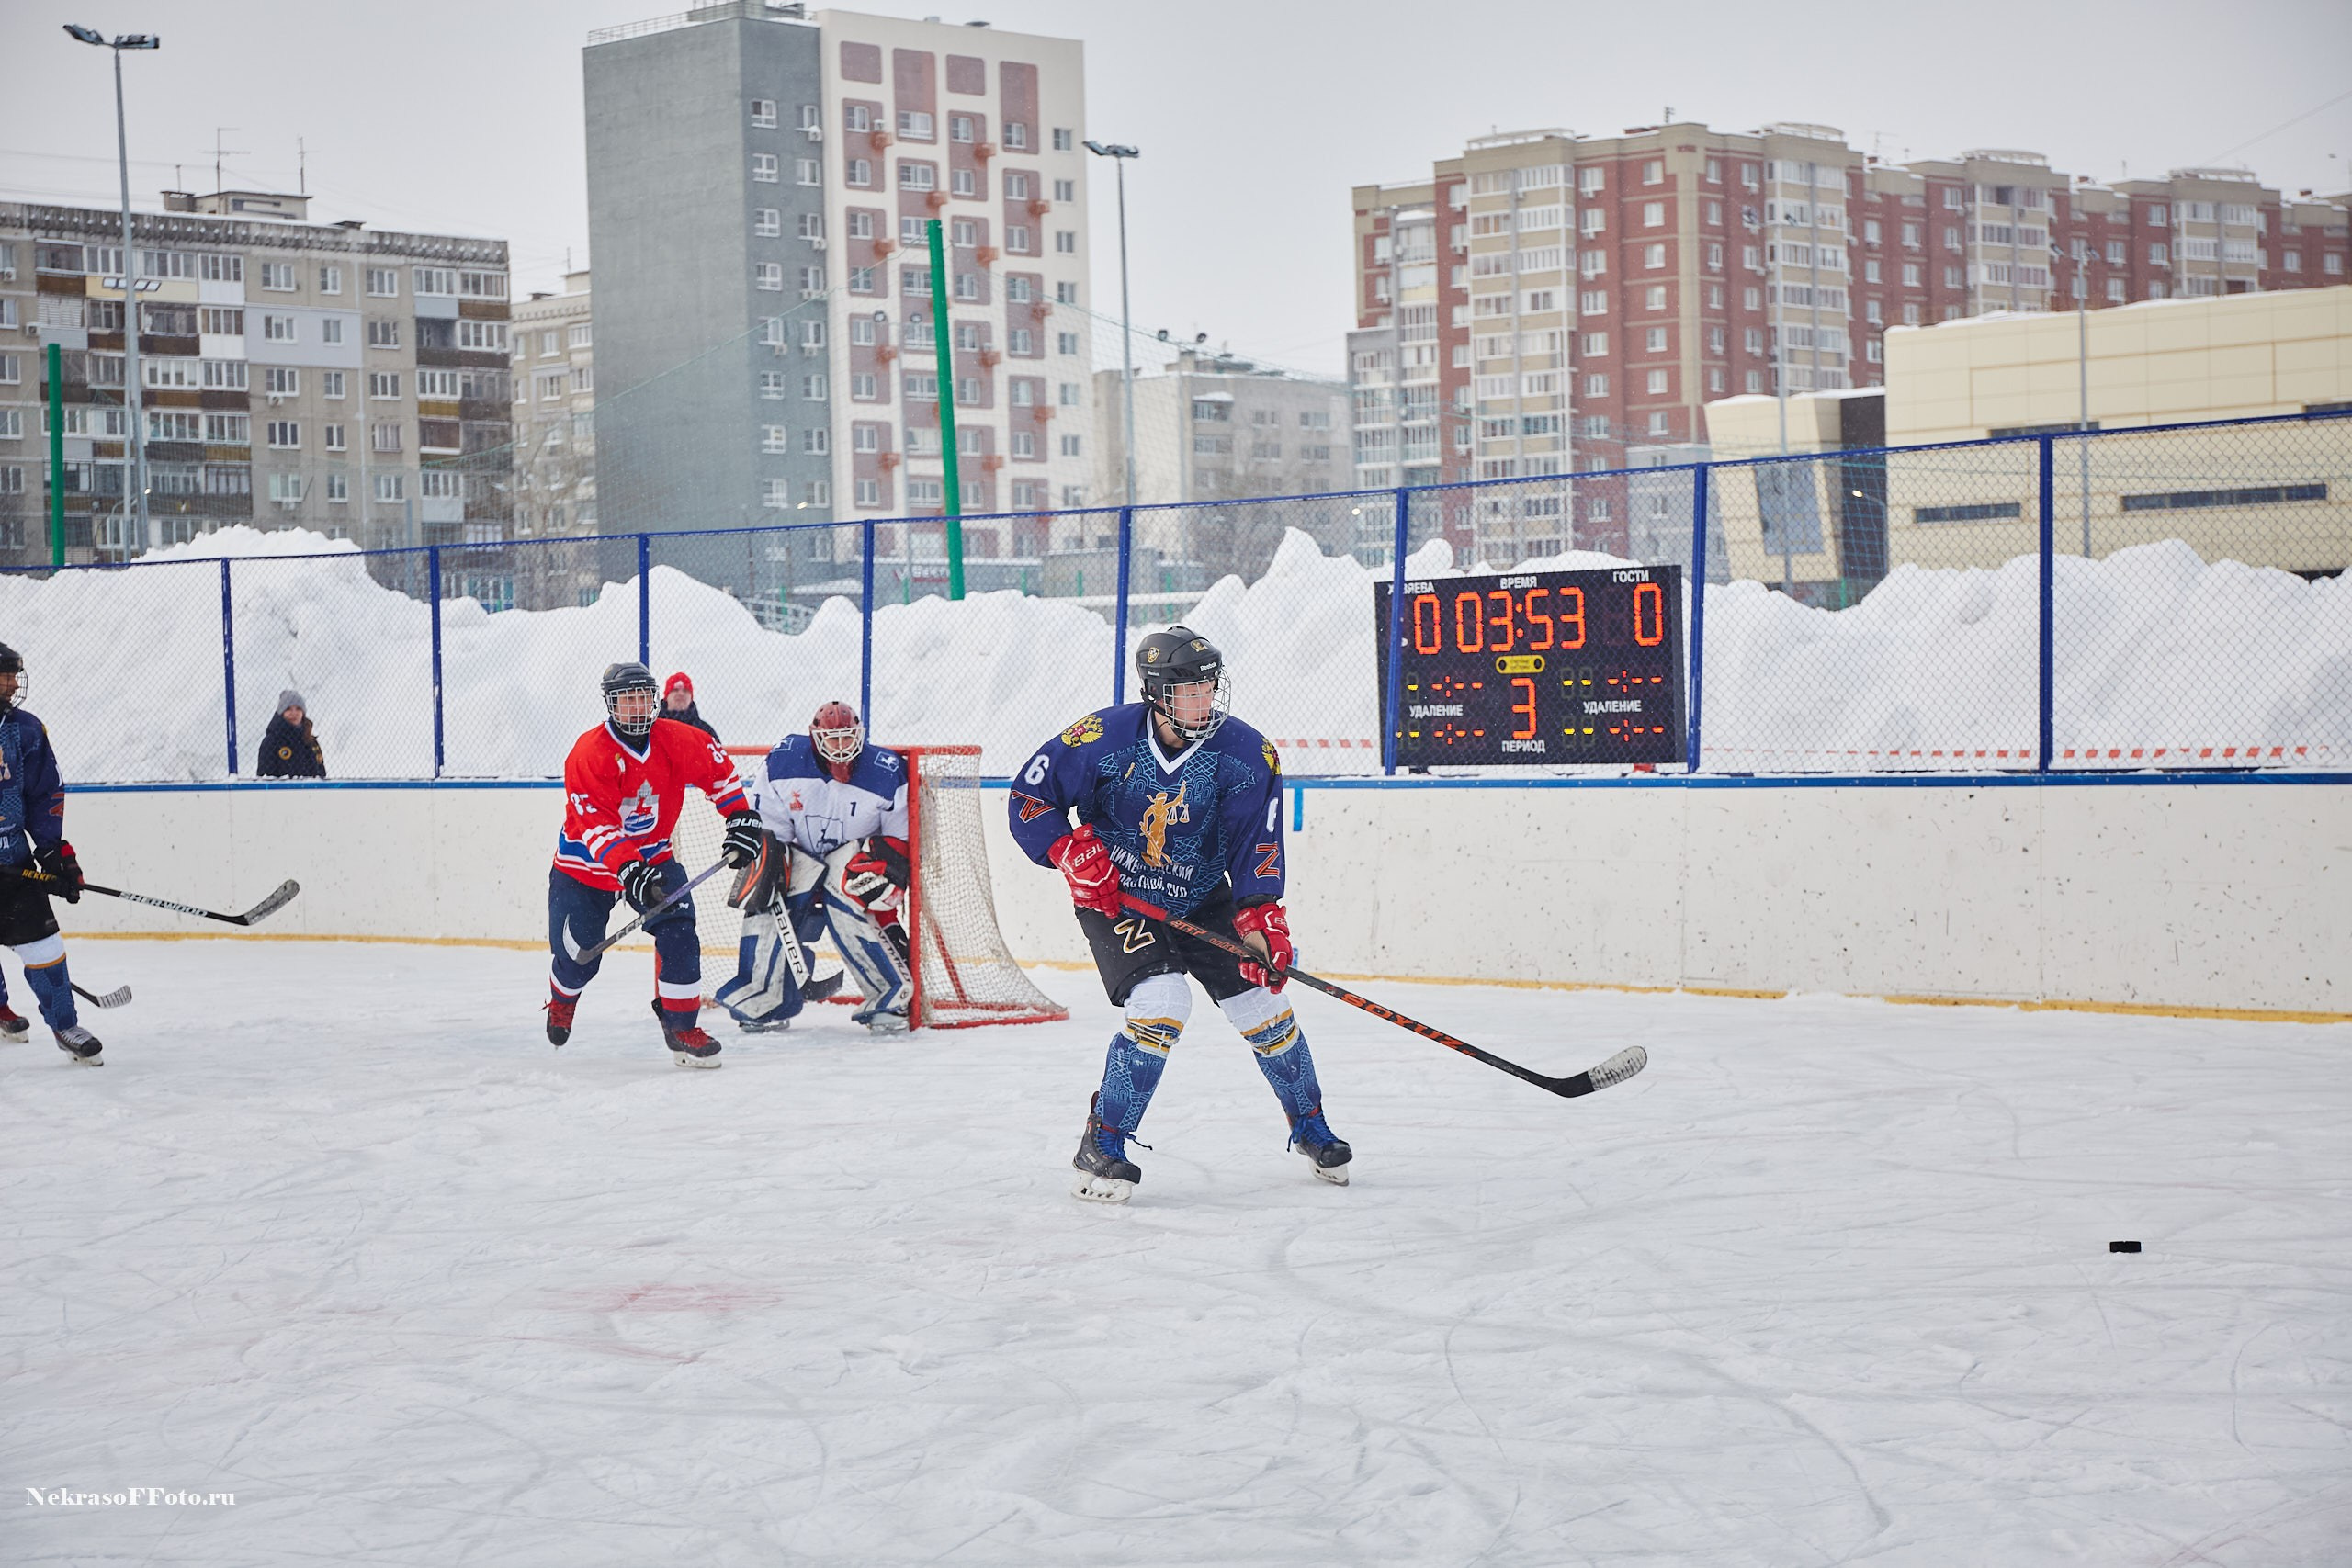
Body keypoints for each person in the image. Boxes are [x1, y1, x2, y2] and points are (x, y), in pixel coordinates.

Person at [1008, 626, 1347, 1203]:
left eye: (1208, 688)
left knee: (1265, 1004)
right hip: (1119, 897)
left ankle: (1310, 1128)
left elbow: (1255, 844)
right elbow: (1028, 798)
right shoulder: (1101, 738)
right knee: (1163, 1005)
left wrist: (1261, 915)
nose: (1202, 701)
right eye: (1188, 691)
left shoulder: (1245, 753)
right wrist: (1067, 852)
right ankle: (1103, 1141)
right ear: (1156, 693)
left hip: (1199, 898)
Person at [545, 661, 762, 1066]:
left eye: (643, 697)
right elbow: (597, 826)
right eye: (627, 700)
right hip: (585, 868)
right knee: (578, 958)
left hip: (654, 854)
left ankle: (681, 1027)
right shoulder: (589, 753)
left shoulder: (677, 739)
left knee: (680, 933)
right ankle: (562, 999)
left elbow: (720, 773)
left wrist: (740, 816)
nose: (637, 707)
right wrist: (628, 870)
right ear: (611, 705)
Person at [716, 701, 913, 1035]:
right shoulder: (784, 760)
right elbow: (770, 830)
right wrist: (771, 862)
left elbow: (900, 837)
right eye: (832, 739)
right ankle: (763, 999)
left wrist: (886, 863)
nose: (840, 746)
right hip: (801, 860)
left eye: (847, 738)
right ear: (816, 738)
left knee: (855, 883)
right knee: (760, 887)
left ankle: (891, 996)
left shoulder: (886, 769)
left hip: (858, 864)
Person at [0, 643, 104, 1066]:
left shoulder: (23, 730)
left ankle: (65, 1025)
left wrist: (55, 854)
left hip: (13, 861)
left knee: (44, 945)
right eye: (3, 675)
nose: (11, 683)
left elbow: (44, 795)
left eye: (12, 675)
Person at [256, 690, 326, 778]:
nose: (294, 713)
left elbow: (321, 774)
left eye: (298, 709)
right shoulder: (271, 742)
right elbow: (265, 777)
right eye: (288, 709)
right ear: (282, 713)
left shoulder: (311, 742)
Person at [662, 672, 720, 741]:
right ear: (667, 696)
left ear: (691, 697)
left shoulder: (705, 730)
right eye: (675, 690)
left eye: (685, 690)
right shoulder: (653, 726)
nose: (681, 694)